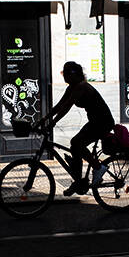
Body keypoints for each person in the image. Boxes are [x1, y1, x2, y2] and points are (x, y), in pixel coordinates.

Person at [40, 61, 115, 196]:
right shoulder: (71, 87)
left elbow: (67, 106)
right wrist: (44, 119)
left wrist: (53, 122)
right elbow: (59, 106)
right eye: (63, 73)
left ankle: (98, 167)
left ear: (74, 74)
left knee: (76, 143)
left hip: (103, 122)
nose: (64, 76)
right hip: (95, 121)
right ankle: (79, 181)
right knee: (75, 146)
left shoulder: (82, 87)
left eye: (66, 73)